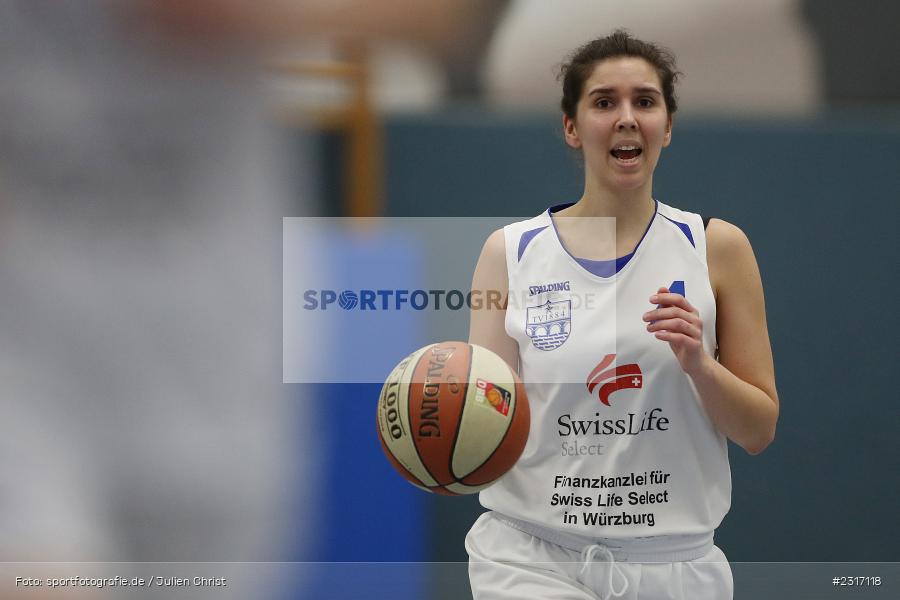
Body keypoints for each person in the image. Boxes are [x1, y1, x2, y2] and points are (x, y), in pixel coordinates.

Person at [466, 30, 779, 600]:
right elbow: (485, 421)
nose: (627, 118)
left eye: (645, 101)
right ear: (571, 126)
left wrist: (699, 365)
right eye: (604, 102)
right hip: (530, 556)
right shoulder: (508, 253)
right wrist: (445, 454)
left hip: (675, 565)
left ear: (668, 124)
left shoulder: (717, 247)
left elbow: (759, 430)